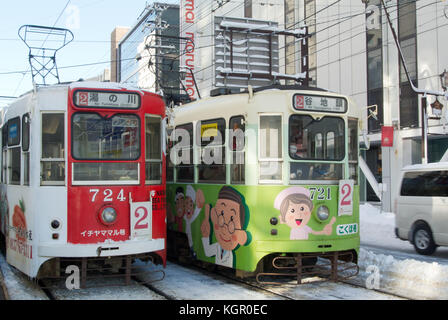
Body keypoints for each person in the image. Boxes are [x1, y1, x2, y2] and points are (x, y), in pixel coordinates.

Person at [200, 186, 249, 268]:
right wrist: (206, 236)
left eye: (231, 224)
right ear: (214, 216)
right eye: (221, 217)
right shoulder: (218, 246)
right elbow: (208, 252)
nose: (224, 229)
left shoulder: (229, 253)